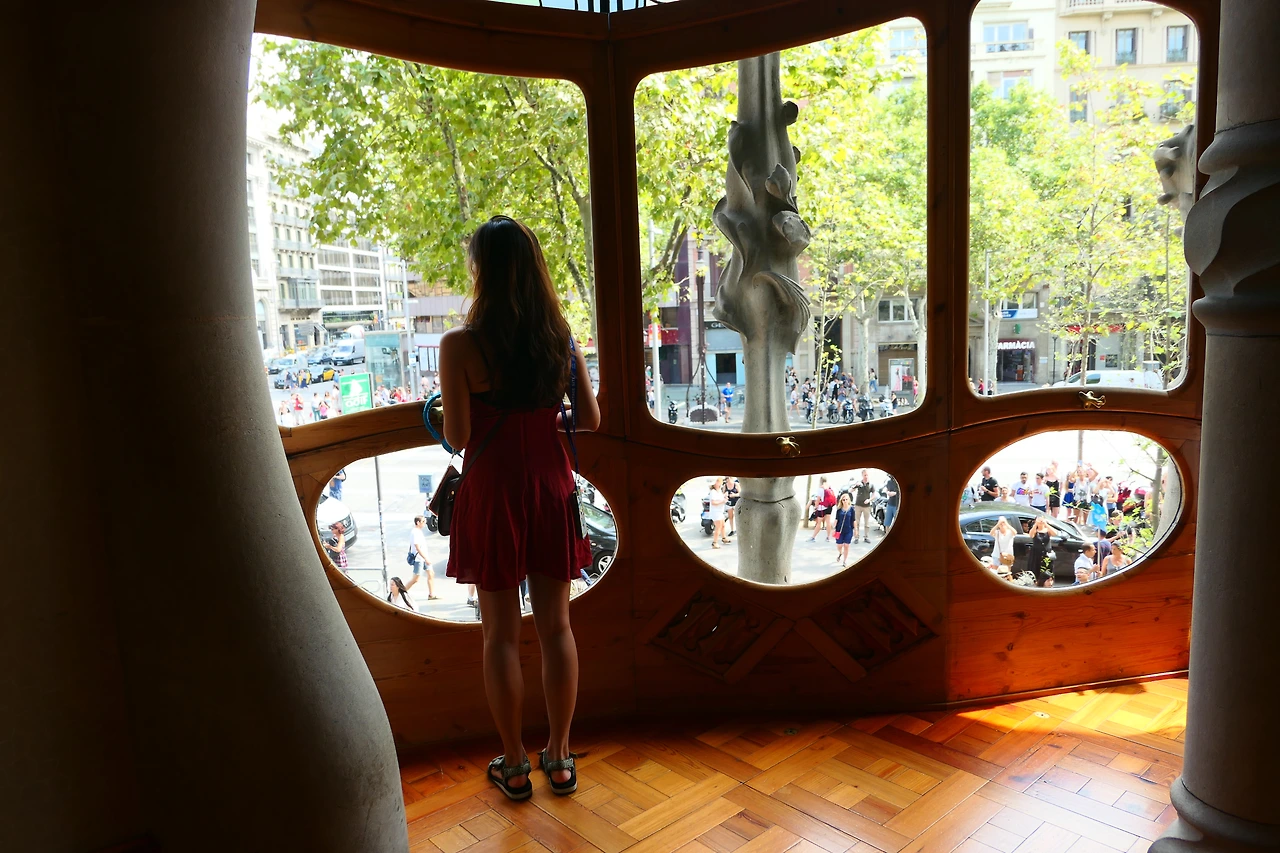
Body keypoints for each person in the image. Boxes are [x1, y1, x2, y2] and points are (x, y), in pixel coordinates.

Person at [437, 215, 600, 801]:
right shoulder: (560, 339)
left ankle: (512, 764)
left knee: (500, 637)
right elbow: (590, 418)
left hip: (493, 495)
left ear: (481, 270)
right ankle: (560, 757)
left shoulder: (460, 345)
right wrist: (542, 416)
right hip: (551, 489)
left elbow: (458, 436)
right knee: (557, 627)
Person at [404, 516, 439, 600]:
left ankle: (431, 594)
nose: (425, 523)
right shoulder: (415, 533)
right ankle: (401, 592)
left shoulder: (418, 531)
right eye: (423, 521)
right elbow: (417, 548)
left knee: (431, 574)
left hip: (424, 558)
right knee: (415, 579)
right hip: (419, 559)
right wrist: (426, 558)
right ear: (418, 522)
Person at [1026, 516, 1055, 587]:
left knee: (1047, 570)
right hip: (1036, 554)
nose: (1041, 522)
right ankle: (1037, 584)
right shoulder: (1035, 530)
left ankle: (1047, 583)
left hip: (1046, 554)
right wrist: (1036, 524)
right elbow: (1031, 535)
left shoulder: (1047, 530)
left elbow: (1054, 533)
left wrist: (1046, 524)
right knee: (1036, 569)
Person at [852, 470, 875, 544]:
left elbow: (874, 494)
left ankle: (866, 537)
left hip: (867, 506)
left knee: (867, 523)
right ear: (862, 475)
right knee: (857, 522)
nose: (866, 476)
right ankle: (856, 537)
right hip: (858, 505)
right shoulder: (859, 483)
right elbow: (851, 490)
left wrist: (869, 500)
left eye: (867, 475)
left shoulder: (871, 484)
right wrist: (855, 485)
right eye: (865, 475)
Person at [706, 478, 730, 549]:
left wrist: (724, 496)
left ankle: (724, 538)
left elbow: (720, 498)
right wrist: (723, 501)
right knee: (718, 527)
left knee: (723, 525)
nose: (720, 483)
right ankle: (715, 543)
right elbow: (713, 502)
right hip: (715, 512)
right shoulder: (713, 492)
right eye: (718, 481)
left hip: (720, 511)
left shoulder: (719, 490)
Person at [809, 477, 834, 541]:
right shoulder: (829, 487)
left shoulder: (820, 489)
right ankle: (828, 537)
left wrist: (815, 507)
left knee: (819, 523)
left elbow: (818, 499)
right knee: (828, 522)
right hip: (829, 506)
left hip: (822, 508)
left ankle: (813, 537)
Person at [833, 494, 855, 566]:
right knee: (839, 545)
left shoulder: (852, 509)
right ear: (841, 501)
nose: (845, 501)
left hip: (849, 530)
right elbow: (836, 520)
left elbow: (854, 520)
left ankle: (844, 561)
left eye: (846, 499)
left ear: (849, 500)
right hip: (839, 530)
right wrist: (833, 528)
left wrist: (856, 530)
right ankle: (840, 552)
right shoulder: (839, 510)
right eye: (843, 500)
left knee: (846, 545)